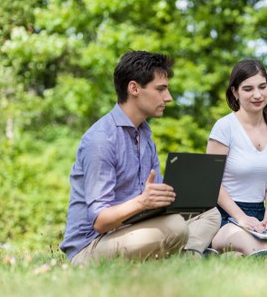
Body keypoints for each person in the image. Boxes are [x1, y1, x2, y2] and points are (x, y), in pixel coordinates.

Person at [60, 50, 221, 265]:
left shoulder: (145, 136)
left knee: (209, 213)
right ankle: (187, 255)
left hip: (135, 230)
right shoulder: (101, 140)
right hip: (92, 245)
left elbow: (154, 198)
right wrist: (143, 202)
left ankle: (187, 256)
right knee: (175, 227)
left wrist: (176, 198)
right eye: (161, 89)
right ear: (134, 88)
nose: (168, 98)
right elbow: (100, 221)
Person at [206, 59, 267, 256]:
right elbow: (211, 181)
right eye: (248, 89)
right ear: (235, 92)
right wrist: (240, 217)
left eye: (262, 87)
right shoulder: (224, 127)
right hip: (223, 216)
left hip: (259, 215)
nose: (257, 94)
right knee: (266, 250)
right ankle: (223, 251)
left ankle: (233, 257)